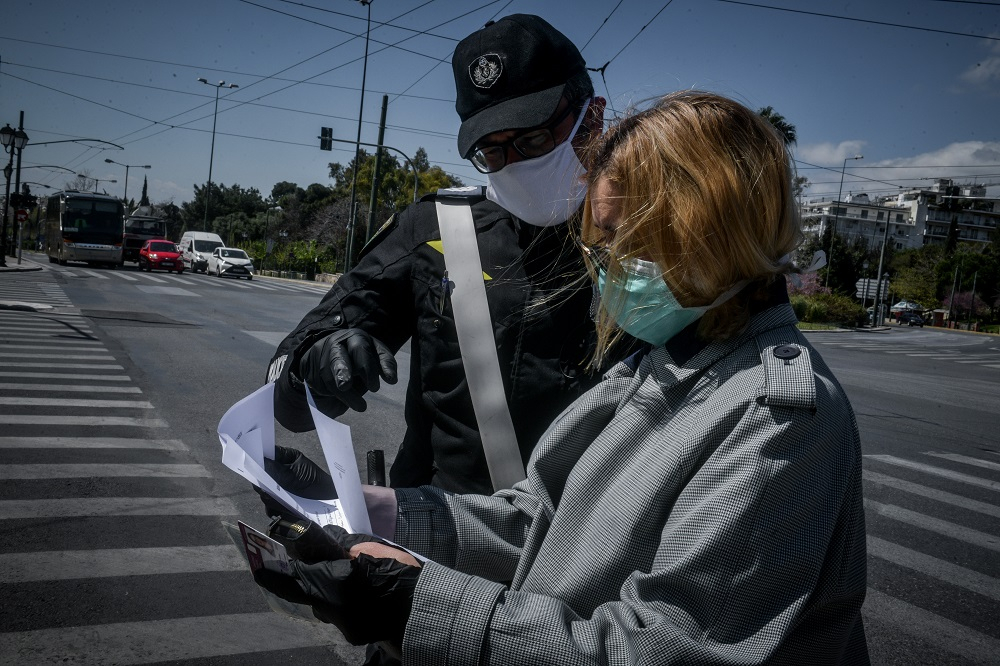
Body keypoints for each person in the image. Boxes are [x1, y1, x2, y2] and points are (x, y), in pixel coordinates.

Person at [255, 91, 870, 664]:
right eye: (600, 246)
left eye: (622, 241)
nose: (606, 268)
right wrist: (381, 511)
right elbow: (540, 519)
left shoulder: (773, 418)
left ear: (702, 235)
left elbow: (661, 647)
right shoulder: (660, 362)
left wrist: (417, 605)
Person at [265, 14, 619, 495]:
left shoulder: (654, 236)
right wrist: (315, 364)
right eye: (491, 154)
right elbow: (287, 390)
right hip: (434, 537)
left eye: (533, 139)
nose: (512, 164)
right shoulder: (435, 228)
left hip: (592, 546)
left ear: (592, 117)